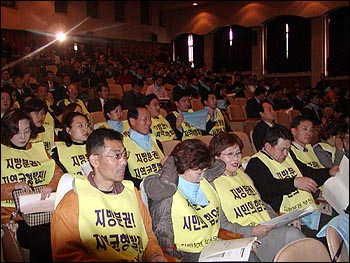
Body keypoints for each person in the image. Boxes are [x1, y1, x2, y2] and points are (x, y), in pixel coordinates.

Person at [50, 128, 167, 262]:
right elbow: (67, 255)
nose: (123, 161)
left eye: (124, 155)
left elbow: (147, 236)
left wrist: (154, 255)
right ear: (94, 161)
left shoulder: (132, 193)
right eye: (116, 156)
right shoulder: (74, 201)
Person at [208, 132, 306, 261]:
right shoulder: (211, 183)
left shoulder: (243, 175)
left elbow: (261, 204)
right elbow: (221, 225)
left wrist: (281, 219)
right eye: (230, 154)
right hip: (246, 237)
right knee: (293, 236)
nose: (236, 159)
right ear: (216, 157)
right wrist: (251, 231)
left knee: (296, 235)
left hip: (267, 228)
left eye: (238, 154)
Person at [245, 125, 339, 235]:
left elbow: (308, 172)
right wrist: (294, 182)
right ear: (268, 146)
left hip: (306, 210)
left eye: (288, 149)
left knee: (339, 220)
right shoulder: (256, 163)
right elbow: (266, 188)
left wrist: (328, 172)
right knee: (332, 229)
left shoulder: (288, 156)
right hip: (285, 216)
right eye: (282, 149)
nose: (285, 153)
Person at [1, 108, 64, 261]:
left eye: (27, 131)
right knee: (42, 239)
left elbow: (58, 174)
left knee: (66, 233)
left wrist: (51, 186)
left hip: (43, 210)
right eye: (16, 132)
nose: (23, 136)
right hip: (13, 215)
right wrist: (13, 186)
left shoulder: (39, 149)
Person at [123, 106, 165, 188]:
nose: (149, 123)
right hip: (139, 189)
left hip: (162, 186)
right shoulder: (123, 146)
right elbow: (125, 178)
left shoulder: (156, 142)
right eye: (144, 119)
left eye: (149, 119)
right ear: (132, 121)